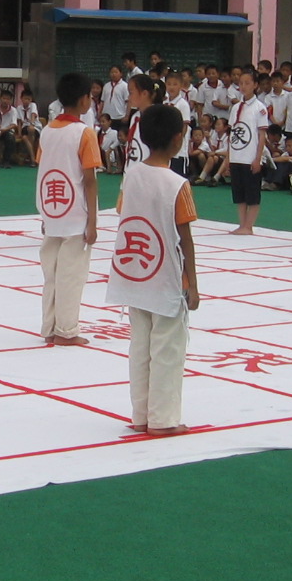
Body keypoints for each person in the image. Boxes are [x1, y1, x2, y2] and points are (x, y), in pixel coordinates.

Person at [106, 103, 198, 438]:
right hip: (166, 279)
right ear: (179, 138)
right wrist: (194, 285)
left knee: (140, 348)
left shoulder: (131, 176)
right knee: (168, 350)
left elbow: (125, 215)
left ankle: (142, 414)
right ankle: (163, 419)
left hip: (135, 274)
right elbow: (184, 239)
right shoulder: (177, 184)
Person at [37, 73, 101, 347]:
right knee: (71, 275)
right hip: (75, 215)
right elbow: (89, 180)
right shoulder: (84, 133)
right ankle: (66, 330)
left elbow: (43, 172)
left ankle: (49, 327)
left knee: (51, 274)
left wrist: (44, 213)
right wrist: (93, 222)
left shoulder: (47, 131)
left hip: (52, 210)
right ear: (84, 99)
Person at [227, 70, 268, 236]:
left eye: (247, 83)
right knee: (239, 193)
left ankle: (249, 225)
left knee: (252, 193)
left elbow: (262, 136)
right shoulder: (236, 107)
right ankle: (242, 223)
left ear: (256, 85)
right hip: (237, 155)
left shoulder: (260, 108)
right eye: (241, 83)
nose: (243, 86)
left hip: (250, 156)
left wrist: (258, 158)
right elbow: (232, 135)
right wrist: (229, 159)